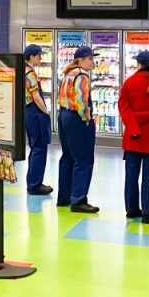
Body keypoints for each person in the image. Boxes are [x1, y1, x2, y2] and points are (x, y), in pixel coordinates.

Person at [117, 50, 149, 224]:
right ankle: (148, 211)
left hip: (133, 137)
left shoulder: (129, 83)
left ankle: (131, 209)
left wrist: (133, 123)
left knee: (131, 175)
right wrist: (144, 116)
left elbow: (123, 108)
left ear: (138, 65)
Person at [56, 46, 98, 213]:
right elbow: (81, 102)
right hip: (76, 119)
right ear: (80, 60)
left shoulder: (68, 74)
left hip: (63, 115)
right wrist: (87, 119)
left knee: (67, 157)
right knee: (84, 159)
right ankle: (79, 199)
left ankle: (64, 196)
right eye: (90, 59)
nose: (93, 63)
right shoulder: (82, 76)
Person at [23, 44, 53, 196]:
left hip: (28, 113)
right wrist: (46, 112)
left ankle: (32, 182)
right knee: (39, 148)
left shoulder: (22, 70)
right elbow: (36, 96)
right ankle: (35, 185)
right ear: (31, 57)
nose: (41, 58)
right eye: (39, 55)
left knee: (34, 147)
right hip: (35, 113)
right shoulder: (30, 74)